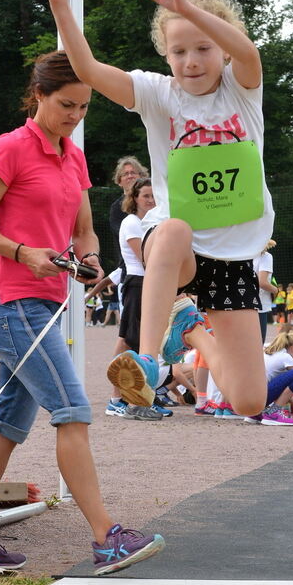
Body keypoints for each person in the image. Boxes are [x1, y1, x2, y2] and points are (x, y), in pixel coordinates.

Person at [32, 0, 272, 418]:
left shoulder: (242, 89)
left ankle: (191, 327)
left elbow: (247, 51)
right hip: (178, 248)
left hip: (234, 251)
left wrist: (187, 9)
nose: (191, 61)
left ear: (223, 49)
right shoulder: (157, 94)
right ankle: (146, 359)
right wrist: (60, 4)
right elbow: (87, 69)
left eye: (203, 48)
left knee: (249, 401)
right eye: (178, 51)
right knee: (175, 227)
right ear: (165, 55)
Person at [0, 50, 165, 575]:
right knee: (72, 409)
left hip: (45, 306)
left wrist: (90, 259)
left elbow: (84, 229)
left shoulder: (74, 157)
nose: (75, 115)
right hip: (14, 305)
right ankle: (106, 538)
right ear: (38, 96)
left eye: (84, 107)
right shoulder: (9, 148)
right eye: (67, 104)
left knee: (6, 426)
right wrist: (23, 252)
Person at [106, 178, 172, 420]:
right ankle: (118, 399)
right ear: (134, 198)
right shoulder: (132, 223)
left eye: (154, 196)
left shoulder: (151, 222)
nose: (151, 200)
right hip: (138, 283)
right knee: (131, 341)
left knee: (137, 341)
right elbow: (146, 258)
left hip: (148, 283)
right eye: (146, 195)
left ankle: (140, 397)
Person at [254, 239, 278, 343]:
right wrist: (275, 290)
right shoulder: (265, 256)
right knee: (258, 342)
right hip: (259, 303)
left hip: (242, 303)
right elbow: (262, 282)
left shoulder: (244, 255)